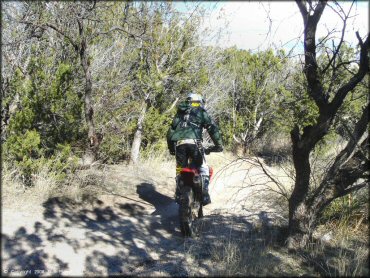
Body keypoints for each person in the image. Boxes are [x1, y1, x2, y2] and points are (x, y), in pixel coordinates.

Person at [166, 92, 223, 205]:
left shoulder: (180, 113)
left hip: (179, 144)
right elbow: (212, 129)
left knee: (179, 170)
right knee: (203, 168)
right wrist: (218, 145)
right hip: (194, 144)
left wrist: (171, 148)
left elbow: (170, 132)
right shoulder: (201, 112)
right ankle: (205, 195)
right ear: (199, 102)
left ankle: (179, 192)